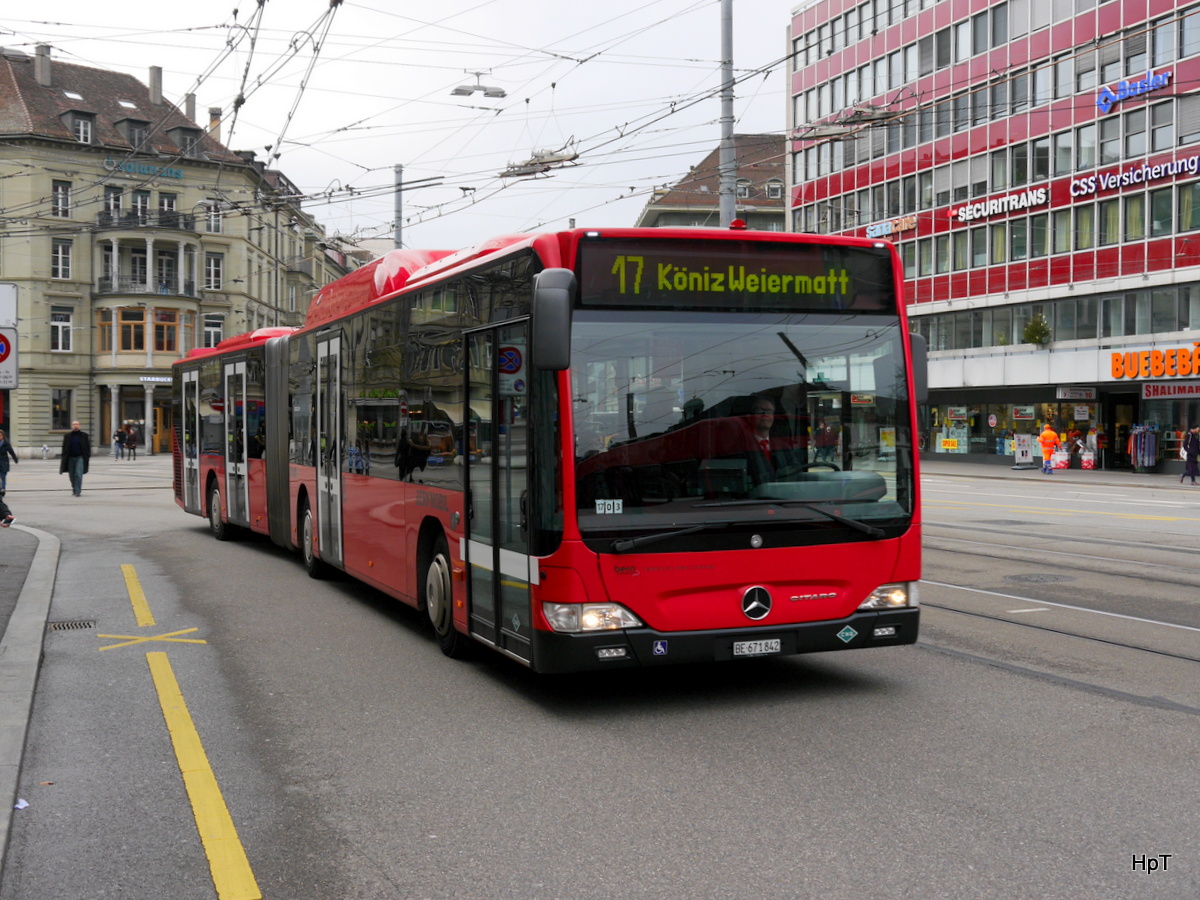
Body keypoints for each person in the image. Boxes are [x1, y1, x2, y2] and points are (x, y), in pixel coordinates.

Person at [743, 395, 802, 485]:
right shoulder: (741, 448)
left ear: (773, 417)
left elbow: (796, 472)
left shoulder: (783, 448)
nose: (765, 415)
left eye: (769, 412)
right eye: (760, 411)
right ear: (750, 416)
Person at [60, 420, 91, 496]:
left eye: (77, 424)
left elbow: (88, 447)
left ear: (79, 426)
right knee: (71, 475)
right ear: (72, 426)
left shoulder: (84, 436)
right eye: (74, 424)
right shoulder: (67, 436)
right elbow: (64, 448)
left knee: (78, 474)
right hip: (70, 457)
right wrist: (64, 457)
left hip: (80, 457)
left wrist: (87, 456)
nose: (75, 426)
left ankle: (78, 491)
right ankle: (74, 487)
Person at [0, 429, 17, 493]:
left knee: (3, 476)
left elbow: (11, 451)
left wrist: (15, 459)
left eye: (0, 435)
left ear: (3, 436)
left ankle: (3, 488)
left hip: (4, 461)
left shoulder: (6, 443)